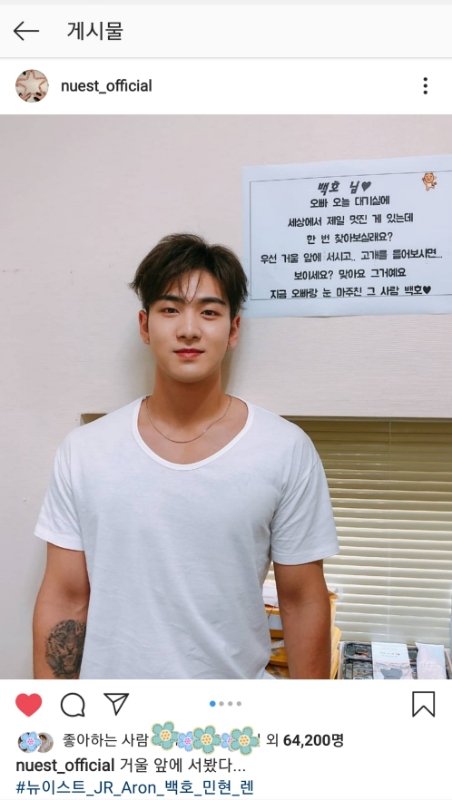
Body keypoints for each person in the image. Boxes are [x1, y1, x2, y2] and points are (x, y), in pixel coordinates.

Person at [33, 233, 339, 679]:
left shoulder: (285, 450)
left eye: (209, 312)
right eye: (170, 309)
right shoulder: (84, 452)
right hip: (114, 713)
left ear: (234, 329)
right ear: (145, 326)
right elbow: (65, 598)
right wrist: (52, 714)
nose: (189, 329)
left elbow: (302, 600)